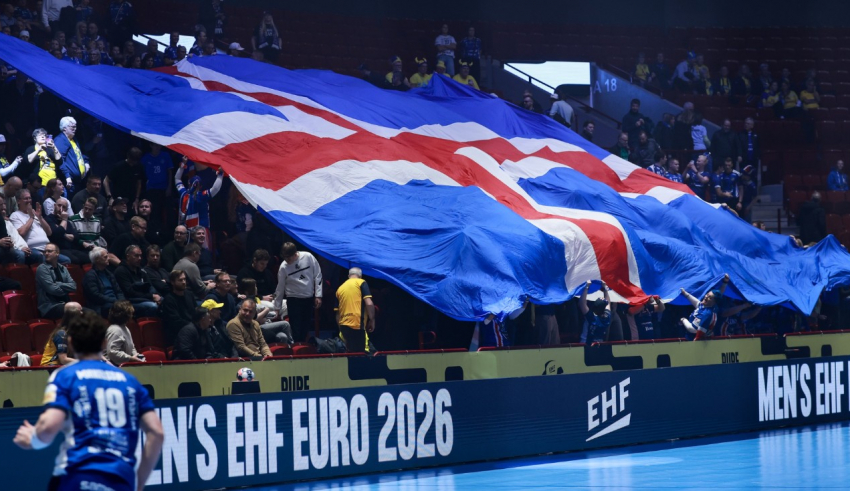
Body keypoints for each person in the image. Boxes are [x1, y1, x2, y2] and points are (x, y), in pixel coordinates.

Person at [13, 310, 163, 491]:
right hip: (120, 479)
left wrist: (33, 440)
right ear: (104, 342)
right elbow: (157, 433)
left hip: (76, 476)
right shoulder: (130, 381)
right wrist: (138, 484)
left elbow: (49, 427)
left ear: (71, 342)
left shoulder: (65, 376)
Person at [274, 242, 322, 343]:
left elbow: (318, 275)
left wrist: (318, 295)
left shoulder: (308, 257)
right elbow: (280, 287)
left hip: (308, 298)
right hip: (293, 299)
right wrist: (277, 307)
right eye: (284, 257)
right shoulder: (283, 267)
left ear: (295, 254)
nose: (287, 260)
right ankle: (296, 347)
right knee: (295, 329)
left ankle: (302, 347)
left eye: (289, 258)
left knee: (305, 327)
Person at [174, 157, 223, 240]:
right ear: (201, 186)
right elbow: (215, 188)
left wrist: (183, 164)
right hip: (201, 232)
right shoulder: (202, 196)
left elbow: (177, 179)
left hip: (187, 232)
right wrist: (220, 175)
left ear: (189, 183)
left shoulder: (183, 194)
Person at [11, 188, 60, 263]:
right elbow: (21, 233)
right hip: (32, 249)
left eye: (30, 198)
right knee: (40, 256)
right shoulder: (15, 215)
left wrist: (40, 217)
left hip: (46, 248)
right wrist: (31, 217)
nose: (29, 200)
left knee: (66, 260)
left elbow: (49, 232)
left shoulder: (36, 214)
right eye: (26, 198)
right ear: (18, 201)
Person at [333, 267, 376, 352]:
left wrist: (341, 329)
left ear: (349, 276)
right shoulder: (361, 282)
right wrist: (372, 320)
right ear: (360, 276)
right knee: (363, 353)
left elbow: (338, 314)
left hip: (344, 326)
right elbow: (369, 303)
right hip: (357, 324)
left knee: (351, 352)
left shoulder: (340, 288)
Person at [240, 277, 292, 345]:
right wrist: (266, 310)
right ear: (246, 291)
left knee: (282, 336)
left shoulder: (256, 299)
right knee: (285, 324)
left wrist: (271, 314)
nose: (256, 288)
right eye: (254, 286)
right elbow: (253, 319)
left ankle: (283, 350)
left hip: (267, 323)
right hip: (257, 327)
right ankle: (292, 346)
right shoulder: (247, 303)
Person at [114, 245, 160, 317]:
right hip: (131, 301)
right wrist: (151, 296)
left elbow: (150, 286)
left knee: (165, 301)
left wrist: (156, 295)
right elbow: (129, 292)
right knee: (152, 306)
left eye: (140, 256)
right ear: (128, 256)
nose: (139, 258)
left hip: (144, 298)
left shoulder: (140, 270)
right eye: (136, 256)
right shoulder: (121, 271)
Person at [680, 274, 730, 340]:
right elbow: (719, 293)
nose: (706, 297)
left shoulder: (706, 313)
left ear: (714, 302)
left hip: (694, 340)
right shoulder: (706, 306)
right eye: (707, 295)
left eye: (710, 297)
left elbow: (692, 329)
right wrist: (685, 293)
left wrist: (684, 320)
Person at [36, 243, 75, 318]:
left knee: (88, 312)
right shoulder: (42, 269)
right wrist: (66, 289)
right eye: (45, 251)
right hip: (49, 306)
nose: (46, 253)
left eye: (49, 251)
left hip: (65, 303)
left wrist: (58, 284)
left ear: (57, 253)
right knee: (75, 311)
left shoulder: (63, 268)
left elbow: (73, 286)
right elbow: (52, 289)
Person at [45, 197, 88, 264]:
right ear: (54, 205)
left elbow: (76, 237)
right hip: (59, 249)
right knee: (75, 260)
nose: (61, 208)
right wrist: (64, 220)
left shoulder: (68, 222)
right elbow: (56, 234)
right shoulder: (49, 219)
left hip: (71, 248)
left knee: (88, 258)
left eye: (64, 207)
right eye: (59, 205)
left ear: (66, 210)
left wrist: (64, 234)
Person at [83, 246, 123, 316]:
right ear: (97, 260)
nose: (108, 258)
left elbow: (118, 291)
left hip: (115, 302)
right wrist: (115, 301)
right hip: (101, 306)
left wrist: (122, 301)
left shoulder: (109, 273)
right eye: (105, 257)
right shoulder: (90, 276)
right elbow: (95, 296)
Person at [53, 116, 89, 192]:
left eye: (75, 127)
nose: (75, 129)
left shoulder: (73, 139)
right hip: (68, 182)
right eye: (72, 127)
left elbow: (80, 153)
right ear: (64, 128)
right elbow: (59, 160)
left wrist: (86, 162)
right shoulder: (61, 140)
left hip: (78, 182)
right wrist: (67, 176)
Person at [40, 301, 81, 366]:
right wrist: (85, 362)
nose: (83, 314)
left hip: (64, 366)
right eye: (80, 311)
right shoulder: (61, 334)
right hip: (50, 366)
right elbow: (63, 360)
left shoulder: (76, 334)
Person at [104, 147, 144, 214]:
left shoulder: (139, 167)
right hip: (118, 197)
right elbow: (106, 181)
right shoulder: (118, 166)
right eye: (132, 160)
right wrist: (109, 197)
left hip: (131, 199)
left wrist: (137, 199)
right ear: (128, 156)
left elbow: (139, 183)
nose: (133, 163)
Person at [161, 269, 196, 345]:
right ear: (172, 282)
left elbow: (195, 312)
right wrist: (194, 325)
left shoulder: (189, 294)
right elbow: (175, 322)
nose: (184, 282)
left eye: (184, 279)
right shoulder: (169, 300)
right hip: (178, 334)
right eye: (180, 280)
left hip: (193, 329)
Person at [104, 300, 144, 365]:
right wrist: (130, 358)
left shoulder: (125, 328)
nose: (132, 316)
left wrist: (137, 357)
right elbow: (112, 352)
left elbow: (132, 347)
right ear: (125, 315)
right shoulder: (115, 330)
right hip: (112, 366)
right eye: (130, 313)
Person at [0, 199, 33, 265]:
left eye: (4, 204)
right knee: (19, 254)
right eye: (0, 205)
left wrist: (20, 246)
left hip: (9, 248)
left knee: (37, 255)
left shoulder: (5, 221)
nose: (4, 207)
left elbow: (13, 237)